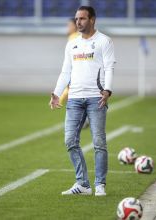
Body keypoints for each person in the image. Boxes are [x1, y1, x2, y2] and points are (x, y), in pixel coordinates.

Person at [49, 6, 115, 196]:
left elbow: (109, 68)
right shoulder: (72, 44)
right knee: (70, 140)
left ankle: (100, 184)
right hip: (75, 99)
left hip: (97, 98)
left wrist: (107, 90)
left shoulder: (104, 41)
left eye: (82, 19)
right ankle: (83, 184)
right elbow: (66, 71)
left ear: (92, 20)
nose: (78, 22)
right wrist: (56, 92)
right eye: (77, 19)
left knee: (99, 142)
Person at [59, 18, 90, 129]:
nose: (68, 27)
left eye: (69, 25)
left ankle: (82, 119)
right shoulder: (79, 36)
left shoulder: (74, 38)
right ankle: (84, 119)